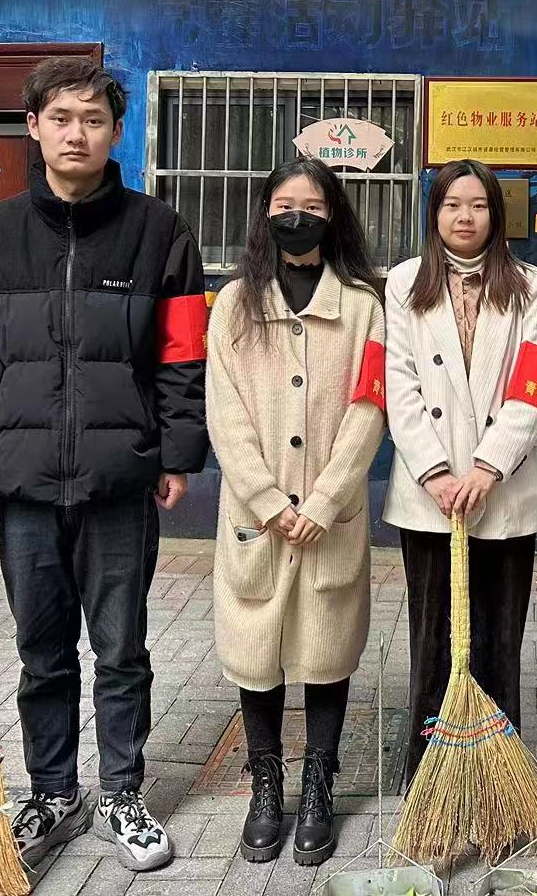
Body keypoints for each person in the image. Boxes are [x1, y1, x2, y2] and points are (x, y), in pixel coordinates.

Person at [0, 57, 207, 874]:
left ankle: (122, 791)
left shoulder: (159, 232)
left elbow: (182, 357)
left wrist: (178, 453)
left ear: (117, 131)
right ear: (33, 127)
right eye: (60, 118)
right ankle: (53, 792)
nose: (76, 134)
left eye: (92, 119)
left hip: (120, 480)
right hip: (21, 485)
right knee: (41, 652)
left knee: (121, 649)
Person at [205, 158, 387, 867]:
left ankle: (318, 784)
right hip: (256, 517)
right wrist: (268, 501)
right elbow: (224, 412)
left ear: (332, 214)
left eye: (311, 205)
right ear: (265, 213)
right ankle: (265, 785)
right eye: (284, 204)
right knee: (256, 652)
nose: (297, 216)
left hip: (330, 515)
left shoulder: (363, 306)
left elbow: (370, 407)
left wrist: (324, 500)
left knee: (327, 648)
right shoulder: (234, 304)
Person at [384, 159, 537, 785]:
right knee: (433, 636)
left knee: (499, 636)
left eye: (479, 205)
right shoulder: (404, 282)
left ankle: (498, 776)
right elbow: (397, 381)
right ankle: (430, 773)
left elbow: (535, 380)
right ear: (434, 213)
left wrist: (487, 467)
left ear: (496, 214)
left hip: (503, 487)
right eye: (452, 205)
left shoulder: (528, 283)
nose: (465, 217)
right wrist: (435, 473)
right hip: (428, 492)